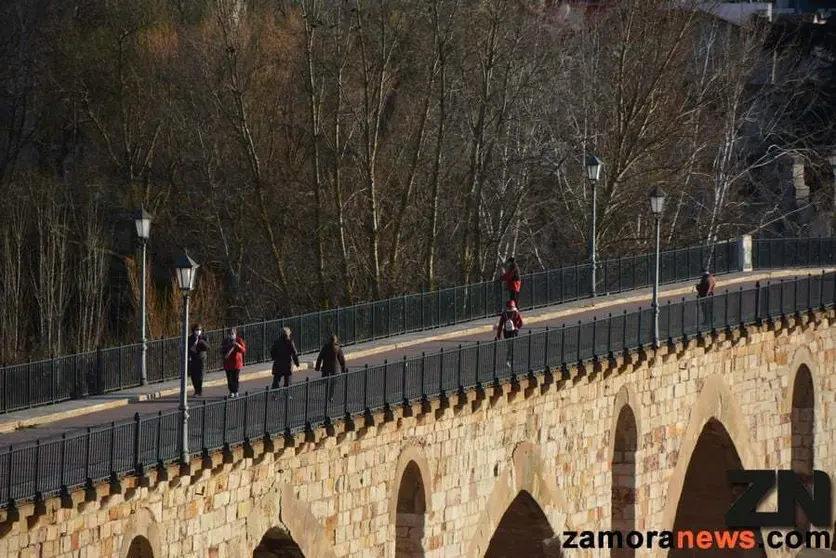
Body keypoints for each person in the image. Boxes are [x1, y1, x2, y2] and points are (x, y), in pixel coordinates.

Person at [315, 334, 346, 402]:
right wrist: (343, 369)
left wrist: (317, 367)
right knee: (333, 385)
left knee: (327, 383)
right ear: (335, 340)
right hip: (335, 370)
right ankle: (331, 397)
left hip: (326, 370)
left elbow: (320, 358)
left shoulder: (325, 347)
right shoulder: (338, 348)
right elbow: (342, 360)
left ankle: (327, 396)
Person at [495, 300, 524, 367]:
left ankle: (509, 359)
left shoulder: (504, 314)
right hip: (513, 332)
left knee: (510, 346)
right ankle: (509, 360)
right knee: (511, 346)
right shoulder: (516, 313)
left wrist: (498, 335)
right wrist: (517, 328)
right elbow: (521, 323)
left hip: (506, 332)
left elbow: (500, 325)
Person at [220, 327, 247, 398]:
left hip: (237, 363)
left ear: (235, 333)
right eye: (230, 334)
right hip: (228, 363)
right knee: (229, 378)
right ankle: (231, 391)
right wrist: (229, 348)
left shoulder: (239, 340)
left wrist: (238, 345)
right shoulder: (225, 341)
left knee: (235, 378)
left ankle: (236, 391)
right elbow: (222, 350)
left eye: (232, 334)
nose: (231, 335)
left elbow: (243, 350)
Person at [187, 324, 210, 396]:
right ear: (194, 331)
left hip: (201, 359)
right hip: (193, 359)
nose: (198, 331)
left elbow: (208, 348)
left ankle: (199, 391)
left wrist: (202, 342)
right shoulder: (190, 338)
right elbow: (188, 348)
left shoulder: (204, 337)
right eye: (197, 330)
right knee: (193, 376)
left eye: (199, 330)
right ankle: (196, 389)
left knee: (200, 376)